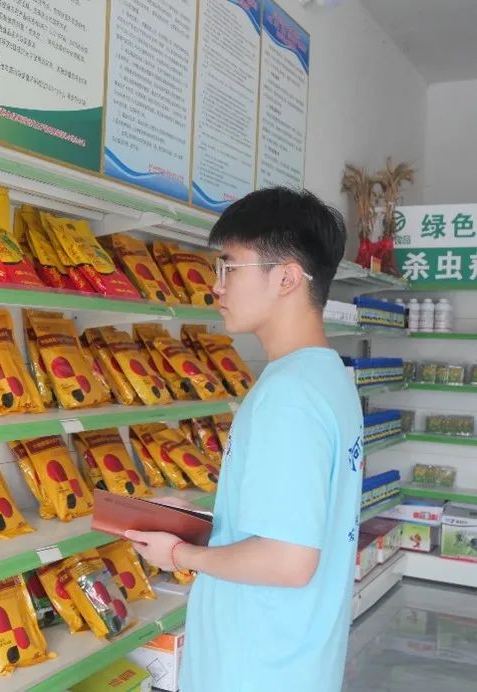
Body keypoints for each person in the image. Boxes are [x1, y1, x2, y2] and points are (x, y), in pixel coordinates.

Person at [126, 187, 364, 692]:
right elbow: (297, 522)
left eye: (230, 267)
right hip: (297, 660)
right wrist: (200, 522)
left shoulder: (289, 395)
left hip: (257, 668)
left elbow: (289, 560)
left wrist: (178, 555)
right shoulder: (327, 377)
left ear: (286, 278)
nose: (216, 286)